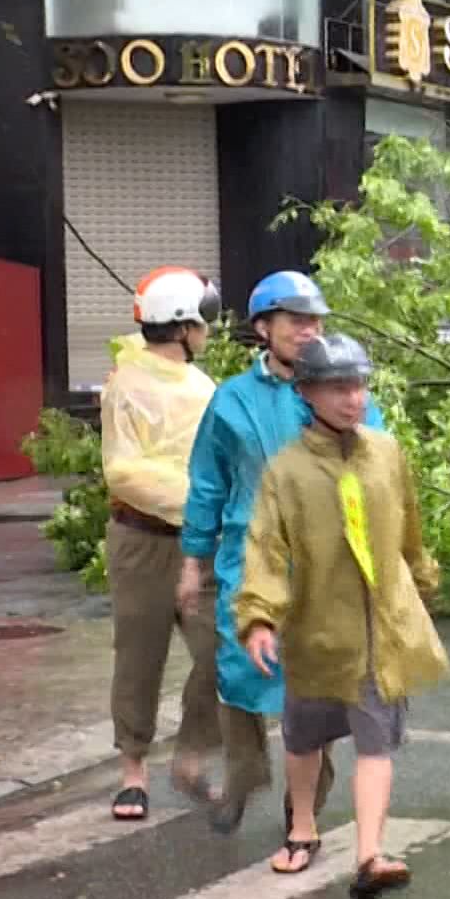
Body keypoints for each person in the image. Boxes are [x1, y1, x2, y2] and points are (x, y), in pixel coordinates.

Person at [236, 334, 449, 899]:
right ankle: (302, 829)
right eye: (337, 388)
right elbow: (266, 549)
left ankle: (370, 855)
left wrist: (422, 584)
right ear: (306, 392)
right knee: (305, 738)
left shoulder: (386, 452)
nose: (352, 399)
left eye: (358, 386)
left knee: (376, 740)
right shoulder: (287, 472)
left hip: (380, 629)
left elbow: (410, 530)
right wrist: (259, 617)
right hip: (316, 628)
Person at [178, 271, 384, 834]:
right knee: (240, 673)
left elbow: (379, 474)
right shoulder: (232, 402)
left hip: (325, 566)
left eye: (316, 320)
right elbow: (206, 485)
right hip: (248, 562)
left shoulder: (344, 391)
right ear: (264, 328)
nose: (309, 331)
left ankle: (304, 811)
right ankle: (244, 775)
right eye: (296, 321)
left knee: (317, 685)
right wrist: (193, 562)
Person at [103, 266, 224, 821]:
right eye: (203, 320)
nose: (209, 330)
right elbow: (125, 473)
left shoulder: (206, 390)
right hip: (141, 540)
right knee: (139, 652)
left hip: (201, 540)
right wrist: (195, 499)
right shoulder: (124, 384)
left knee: (220, 650)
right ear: (182, 325)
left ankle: (193, 755)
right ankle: (133, 769)